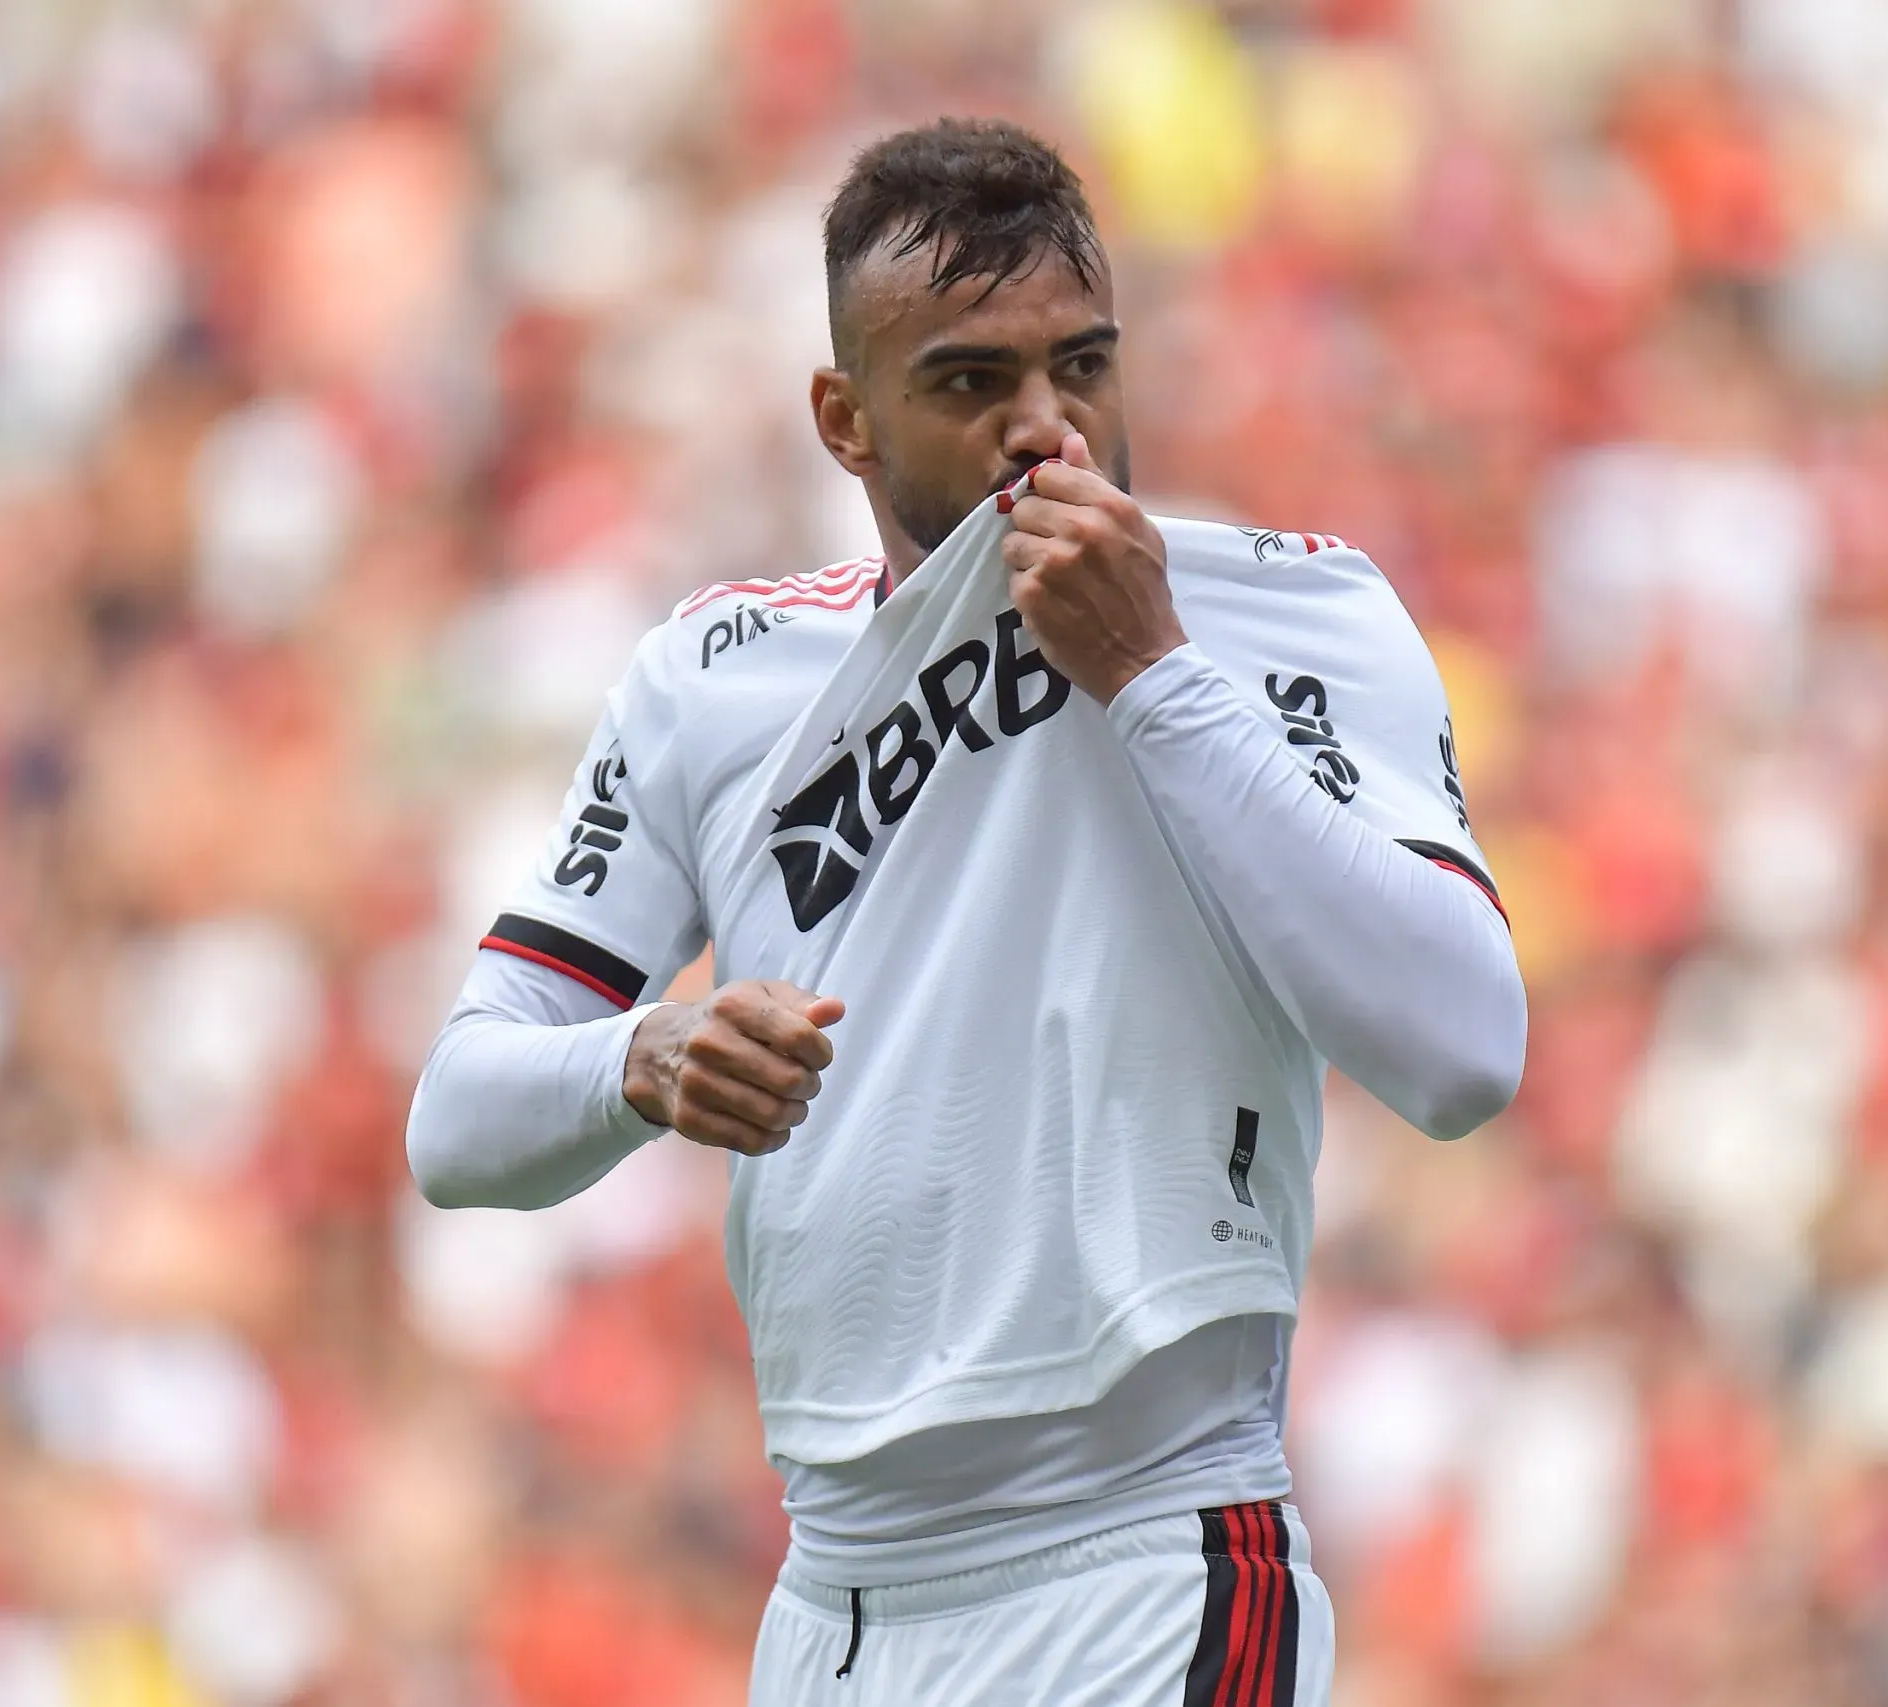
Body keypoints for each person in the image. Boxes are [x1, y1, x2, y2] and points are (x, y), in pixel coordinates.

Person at [405, 118, 1525, 1707]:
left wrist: (1154, 678)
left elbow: (1464, 1045)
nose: (1044, 428)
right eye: (971, 382)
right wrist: (639, 1062)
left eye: (1082, 366)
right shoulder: (717, 679)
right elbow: (458, 1118)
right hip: (835, 1606)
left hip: (1145, 1557)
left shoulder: (1291, 615)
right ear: (843, 419)